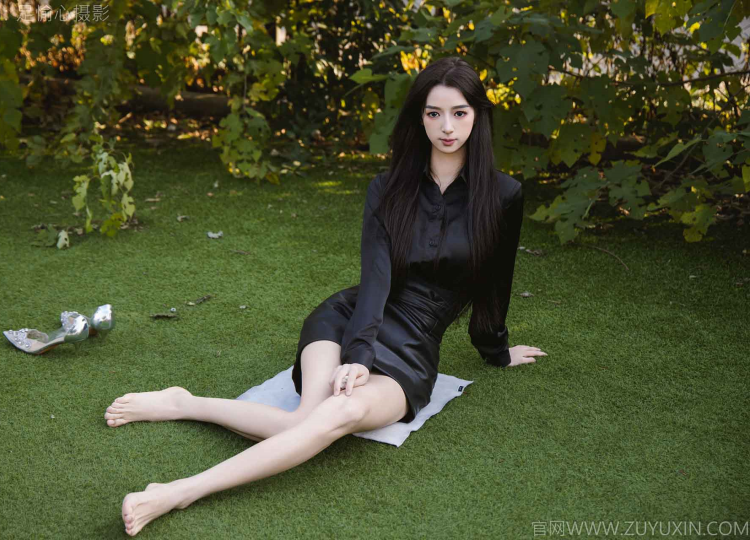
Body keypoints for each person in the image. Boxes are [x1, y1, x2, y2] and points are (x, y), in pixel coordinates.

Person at [103, 56, 547, 536]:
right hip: (350, 316)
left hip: (416, 344)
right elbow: (375, 279)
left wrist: (496, 349)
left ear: (478, 116)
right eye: (434, 113)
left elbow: (497, 283)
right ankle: (178, 466)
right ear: (419, 118)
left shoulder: (502, 195)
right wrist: (359, 356)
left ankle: (184, 428)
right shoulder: (387, 189)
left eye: (459, 113)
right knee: (309, 418)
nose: (447, 127)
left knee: (339, 413)